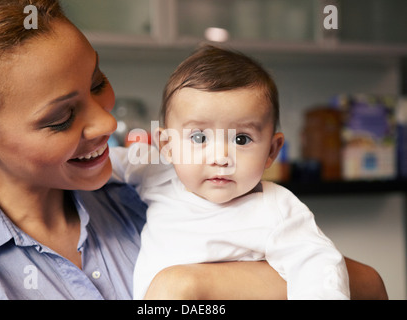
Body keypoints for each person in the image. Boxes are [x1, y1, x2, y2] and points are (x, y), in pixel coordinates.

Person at [0, 0, 387, 300]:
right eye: (61, 117)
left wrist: (186, 288)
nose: (108, 124)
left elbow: (367, 285)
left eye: (97, 83)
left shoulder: (147, 187)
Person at [111, 46, 351, 299]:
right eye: (199, 137)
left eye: (241, 139)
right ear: (167, 146)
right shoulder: (157, 174)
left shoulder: (275, 208)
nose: (221, 158)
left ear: (272, 149)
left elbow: (320, 269)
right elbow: (107, 161)